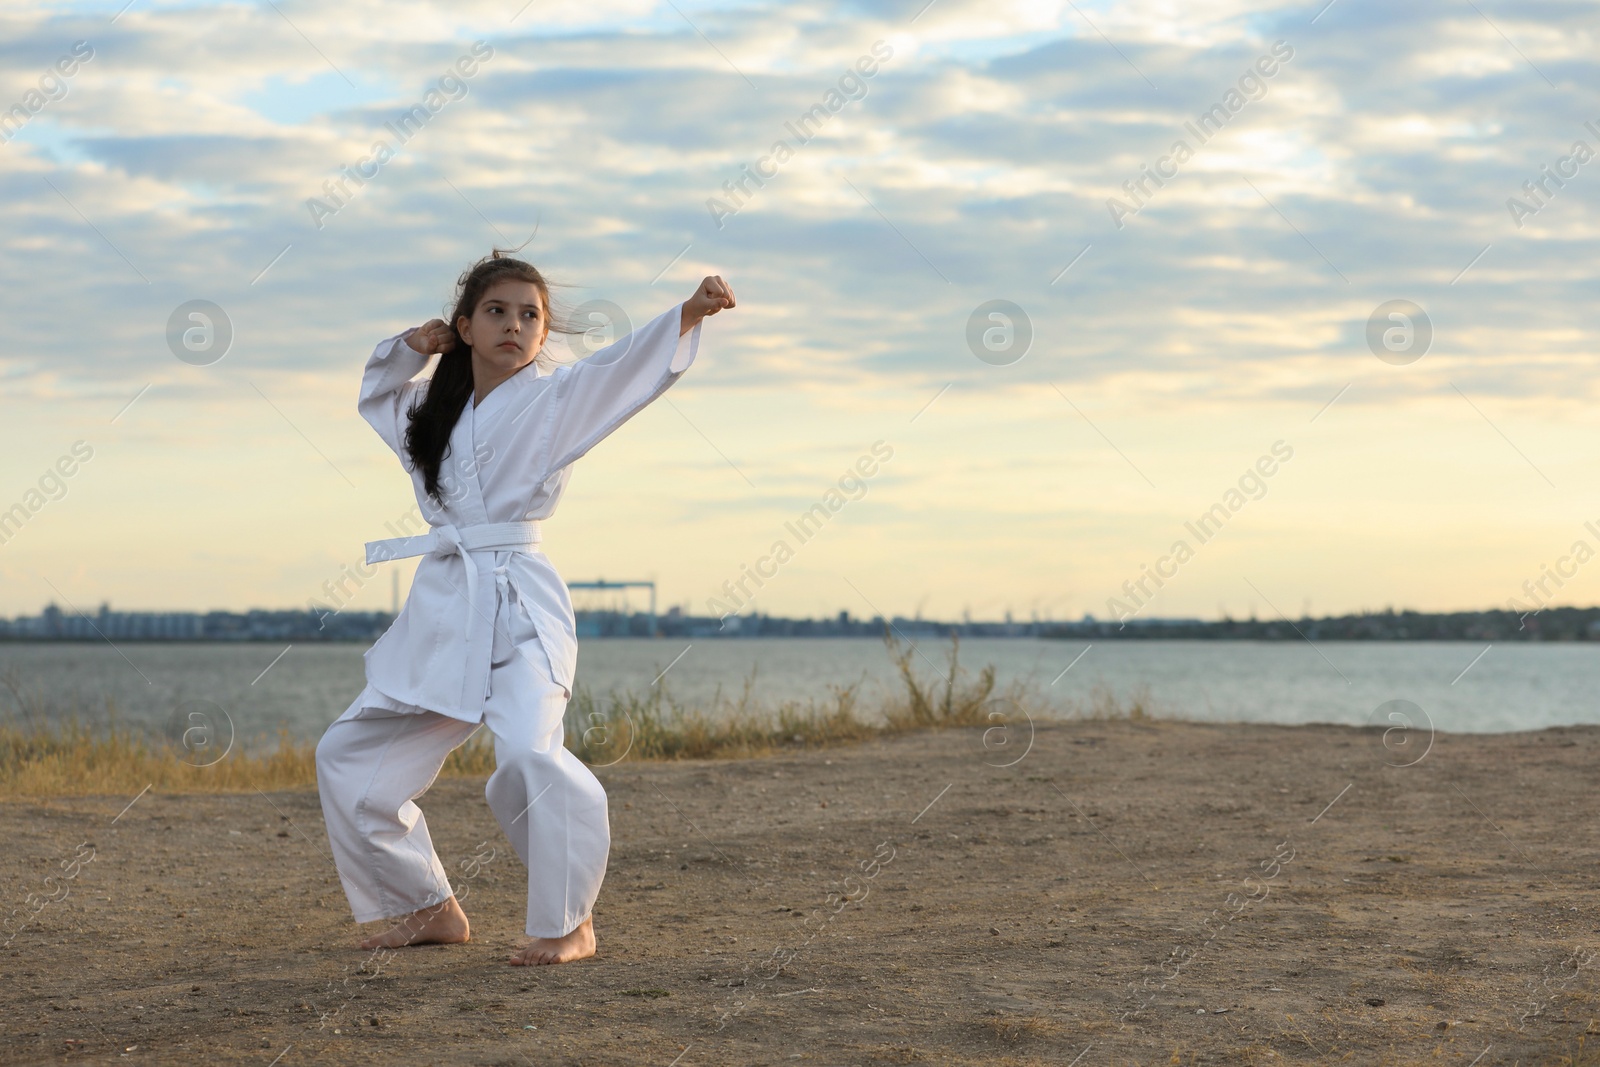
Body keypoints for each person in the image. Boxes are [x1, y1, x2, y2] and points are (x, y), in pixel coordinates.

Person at [315, 250, 736, 965]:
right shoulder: (430, 410)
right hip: (446, 609)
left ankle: (570, 921)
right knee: (349, 757)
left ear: (544, 335)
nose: (515, 325)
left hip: (519, 605)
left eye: (530, 315)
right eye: (498, 311)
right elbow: (376, 395)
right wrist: (407, 349)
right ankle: (422, 906)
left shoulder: (556, 400)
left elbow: (623, 372)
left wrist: (688, 313)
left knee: (526, 756)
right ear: (466, 327)